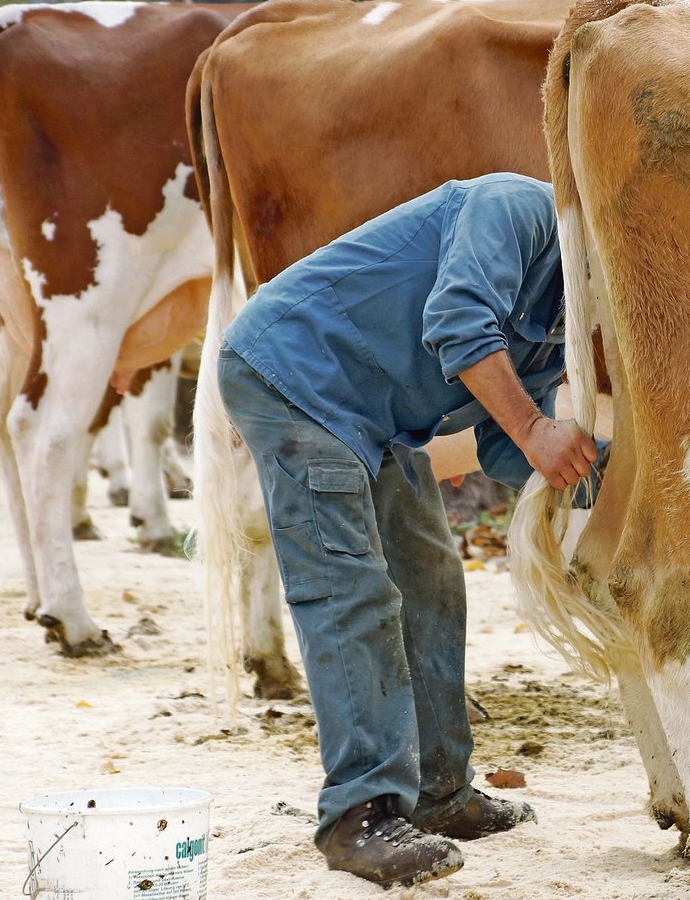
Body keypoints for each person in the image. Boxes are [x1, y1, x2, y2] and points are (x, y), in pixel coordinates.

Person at [216, 173, 601, 889]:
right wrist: (537, 431)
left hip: (372, 408)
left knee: (430, 575)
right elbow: (459, 322)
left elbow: (504, 443)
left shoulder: (570, 311)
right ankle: (358, 815)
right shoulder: (514, 210)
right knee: (350, 588)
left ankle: (438, 792)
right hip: (295, 370)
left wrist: (606, 478)